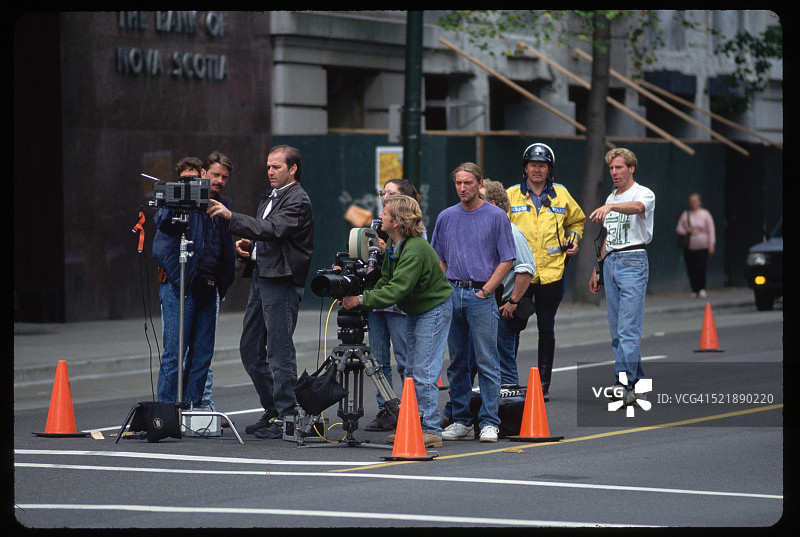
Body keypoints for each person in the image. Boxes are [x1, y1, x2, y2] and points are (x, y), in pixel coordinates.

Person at [207, 145, 314, 439]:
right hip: (262, 277)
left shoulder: (298, 199)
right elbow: (267, 237)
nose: (270, 172)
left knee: (279, 351)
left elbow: (274, 229)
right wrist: (249, 250)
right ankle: (274, 409)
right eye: (268, 167)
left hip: (281, 281)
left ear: (293, 169)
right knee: (250, 349)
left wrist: (231, 217)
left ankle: (289, 415)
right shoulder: (271, 196)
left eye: (276, 167)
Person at [342, 195, 452, 448]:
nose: (380, 216)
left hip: (433, 309)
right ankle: (413, 424)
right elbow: (386, 282)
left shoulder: (414, 250)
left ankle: (431, 429)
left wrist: (360, 299)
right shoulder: (395, 245)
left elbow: (396, 291)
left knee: (423, 370)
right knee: (411, 370)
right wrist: (363, 294)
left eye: (385, 212)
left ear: (398, 221)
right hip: (417, 309)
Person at [431, 162, 515, 443]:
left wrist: (488, 290)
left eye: (468, 183)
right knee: (457, 362)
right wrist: (444, 289)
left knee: (487, 360)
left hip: (482, 295)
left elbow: (507, 258)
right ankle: (463, 420)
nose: (462, 188)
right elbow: (439, 258)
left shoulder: (496, 216)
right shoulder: (445, 217)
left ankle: (490, 421)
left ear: (480, 184)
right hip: (453, 293)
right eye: (458, 183)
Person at [152, 153, 236, 408]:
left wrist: (222, 283)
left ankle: (192, 410)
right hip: (181, 289)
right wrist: (179, 281)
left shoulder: (223, 206)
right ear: (202, 174)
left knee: (202, 356)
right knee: (174, 354)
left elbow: (222, 249)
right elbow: (162, 231)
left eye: (224, 177)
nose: (219, 181)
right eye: (215, 175)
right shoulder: (186, 199)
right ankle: (166, 413)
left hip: (209, 290)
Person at [506, 143, 585, 401]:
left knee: (546, 327)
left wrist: (573, 239)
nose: (537, 169)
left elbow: (576, 221)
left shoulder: (561, 194)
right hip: (520, 274)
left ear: (549, 169)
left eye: (542, 165)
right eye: (532, 164)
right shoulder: (511, 196)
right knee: (512, 327)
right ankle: (509, 382)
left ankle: (543, 385)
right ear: (525, 168)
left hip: (552, 272)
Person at [588, 147, 655, 404]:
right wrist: (597, 268)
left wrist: (610, 206)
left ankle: (623, 382)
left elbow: (638, 207)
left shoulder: (643, 193)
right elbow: (609, 237)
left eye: (619, 167)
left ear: (631, 168)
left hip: (633, 260)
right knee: (617, 330)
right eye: (612, 168)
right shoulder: (611, 197)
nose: (614, 172)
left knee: (628, 328)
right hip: (612, 261)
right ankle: (637, 381)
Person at [364, 178, 423, 432]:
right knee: (378, 361)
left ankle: (412, 409)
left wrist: (387, 249)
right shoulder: (377, 224)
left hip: (399, 304)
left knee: (404, 359)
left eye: (391, 193)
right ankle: (386, 409)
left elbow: (408, 270)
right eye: (383, 193)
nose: (385, 197)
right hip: (377, 298)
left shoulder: (414, 229)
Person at [481, 179, 536, 385]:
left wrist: (512, 303)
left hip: (502, 309)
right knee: (485, 363)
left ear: (493, 204)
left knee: (504, 364)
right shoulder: (485, 231)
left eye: (480, 199)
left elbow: (526, 269)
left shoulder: (510, 231)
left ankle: (511, 412)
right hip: (485, 307)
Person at [676, 193, 715, 298]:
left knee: (701, 267)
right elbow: (679, 228)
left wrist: (711, 244)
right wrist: (686, 231)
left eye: (695, 201)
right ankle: (694, 289)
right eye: (691, 201)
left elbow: (711, 230)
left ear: (699, 202)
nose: (693, 204)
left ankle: (702, 288)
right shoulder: (686, 214)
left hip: (703, 245)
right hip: (690, 246)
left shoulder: (705, 214)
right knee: (691, 268)